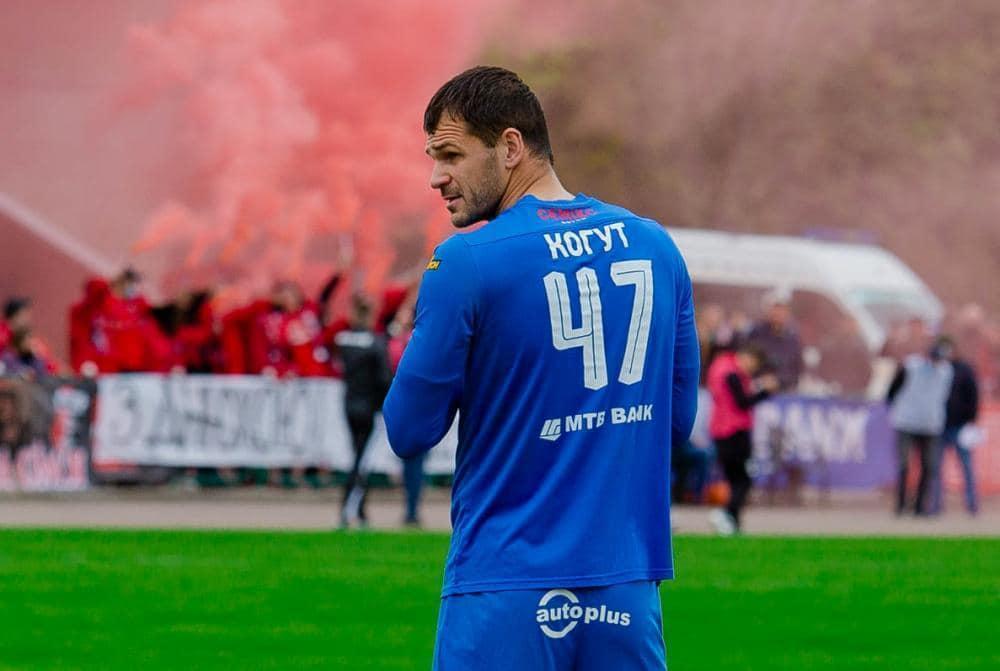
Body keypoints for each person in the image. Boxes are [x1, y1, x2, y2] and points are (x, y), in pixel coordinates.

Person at [382, 66, 699, 671]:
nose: (436, 177)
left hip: (503, 586)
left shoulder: (466, 261)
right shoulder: (656, 246)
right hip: (626, 590)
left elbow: (408, 430)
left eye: (451, 155)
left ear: (510, 147)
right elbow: (676, 422)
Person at [706, 343, 778, 535]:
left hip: (720, 430)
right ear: (747, 357)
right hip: (734, 431)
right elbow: (742, 403)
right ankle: (726, 514)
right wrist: (765, 392)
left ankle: (733, 522)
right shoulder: (731, 373)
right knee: (743, 479)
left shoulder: (720, 366)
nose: (751, 369)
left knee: (735, 479)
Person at [337, 295, 393, 529]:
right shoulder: (376, 343)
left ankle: (357, 509)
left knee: (357, 456)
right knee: (363, 460)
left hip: (349, 404)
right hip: (369, 407)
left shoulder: (344, 341)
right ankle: (351, 508)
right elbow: (383, 378)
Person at [886, 337, 954, 516]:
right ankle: (901, 504)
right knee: (904, 464)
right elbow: (893, 389)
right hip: (907, 422)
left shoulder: (947, 372)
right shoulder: (911, 367)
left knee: (928, 466)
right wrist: (896, 407)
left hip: (931, 424)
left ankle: (920, 506)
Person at [930, 336, 980, 515]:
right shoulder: (934, 369)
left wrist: (971, 420)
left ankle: (972, 504)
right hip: (938, 425)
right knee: (935, 468)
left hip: (959, 425)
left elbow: (973, 395)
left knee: (966, 466)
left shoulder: (964, 369)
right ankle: (935, 505)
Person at [745, 288, 802, 392]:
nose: (778, 313)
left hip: (784, 394)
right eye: (775, 308)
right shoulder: (756, 334)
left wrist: (778, 380)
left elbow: (796, 371)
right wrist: (762, 380)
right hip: (757, 391)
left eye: (782, 309)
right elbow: (745, 364)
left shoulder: (793, 339)